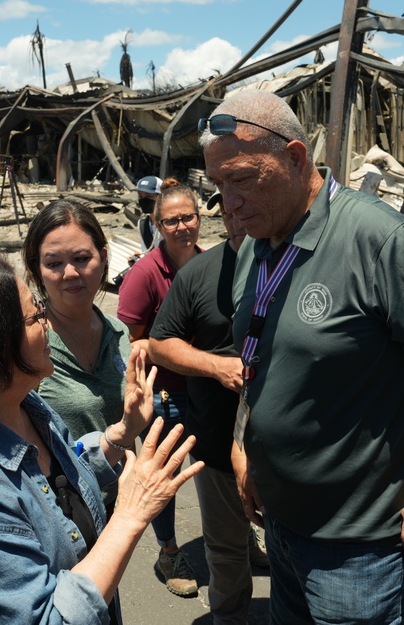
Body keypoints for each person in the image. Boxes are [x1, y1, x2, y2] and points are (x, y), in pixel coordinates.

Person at [199, 90, 404, 624]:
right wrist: (245, 444)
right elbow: (259, 356)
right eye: (218, 185)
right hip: (281, 529)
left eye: (242, 179)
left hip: (360, 552)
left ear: (295, 158)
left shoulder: (383, 241)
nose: (229, 203)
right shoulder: (257, 244)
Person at [0, 248, 202, 624]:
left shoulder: (20, 405)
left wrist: (119, 437)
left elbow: (57, 471)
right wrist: (130, 513)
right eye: (34, 316)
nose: (47, 324)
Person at [148, 190, 264, 624]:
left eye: (245, 204)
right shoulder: (198, 273)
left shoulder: (294, 264)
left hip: (285, 447)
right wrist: (216, 367)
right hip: (216, 442)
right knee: (226, 549)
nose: (237, 216)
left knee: (296, 544)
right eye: (228, 209)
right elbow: (159, 343)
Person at [117, 177, 203, 597]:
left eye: (188, 216)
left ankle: (240, 533)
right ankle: (168, 550)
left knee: (218, 466)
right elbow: (136, 342)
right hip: (166, 394)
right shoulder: (146, 273)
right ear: (157, 224)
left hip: (207, 390)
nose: (182, 226)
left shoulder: (210, 263)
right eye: (172, 220)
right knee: (164, 474)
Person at [22, 199, 131, 437]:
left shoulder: (119, 332)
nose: (70, 273)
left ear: (102, 258)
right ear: (37, 269)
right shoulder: (29, 343)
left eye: (81, 258)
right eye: (54, 263)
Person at [136, 175, 163, 253]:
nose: (144, 200)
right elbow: (146, 253)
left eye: (149, 196)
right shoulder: (142, 224)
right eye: (140, 196)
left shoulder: (169, 223)